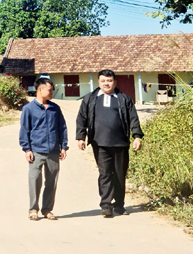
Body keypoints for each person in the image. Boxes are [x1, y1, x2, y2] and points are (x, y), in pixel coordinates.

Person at [76, 69, 144, 218]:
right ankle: (106, 204)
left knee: (120, 175)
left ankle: (119, 205)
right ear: (99, 82)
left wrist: (137, 136)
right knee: (105, 173)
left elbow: (134, 119)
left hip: (121, 143)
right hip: (99, 143)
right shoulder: (90, 99)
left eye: (109, 80)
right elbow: (82, 118)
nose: (106, 83)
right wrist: (81, 136)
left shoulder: (124, 99)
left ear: (115, 82)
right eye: (103, 81)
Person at [19, 76, 68, 221]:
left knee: (51, 182)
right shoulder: (28, 109)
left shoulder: (55, 108)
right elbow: (24, 130)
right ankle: (33, 209)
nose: (52, 91)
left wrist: (64, 146)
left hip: (53, 151)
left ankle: (47, 209)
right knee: (34, 180)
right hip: (36, 151)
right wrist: (27, 149)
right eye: (49, 89)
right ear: (40, 90)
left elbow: (62, 128)